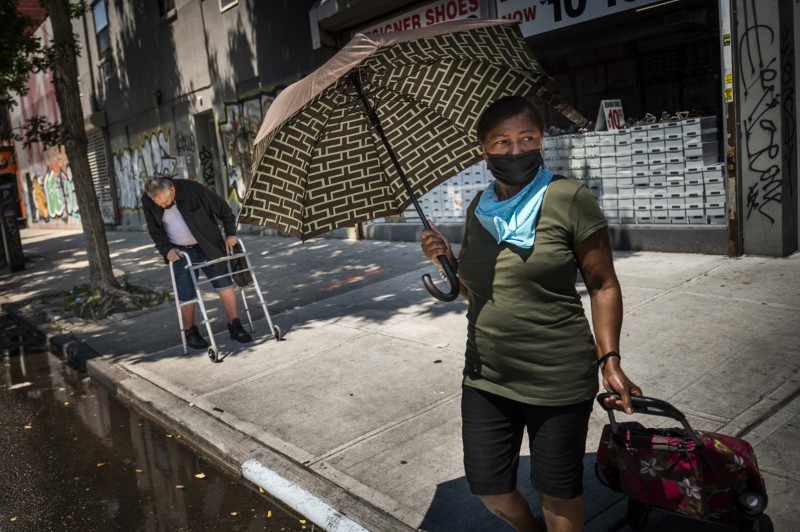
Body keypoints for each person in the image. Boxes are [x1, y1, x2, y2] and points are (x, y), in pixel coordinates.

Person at [421, 96, 642, 532]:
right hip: (487, 375)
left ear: (541, 141)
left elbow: (603, 284)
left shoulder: (569, 198)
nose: (516, 150)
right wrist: (445, 258)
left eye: (527, 138)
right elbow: (472, 289)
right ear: (483, 149)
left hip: (556, 375)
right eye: (501, 142)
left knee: (558, 491)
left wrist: (610, 359)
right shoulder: (477, 209)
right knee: (488, 485)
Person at [142, 176, 252, 348]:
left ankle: (235, 325)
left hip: (207, 245)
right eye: (158, 204)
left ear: (172, 190)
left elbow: (223, 209)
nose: (162, 206)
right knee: (186, 293)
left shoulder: (194, 189)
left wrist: (231, 234)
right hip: (179, 251)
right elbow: (154, 230)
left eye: (164, 202)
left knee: (224, 283)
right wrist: (166, 250)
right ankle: (190, 332)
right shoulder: (149, 201)